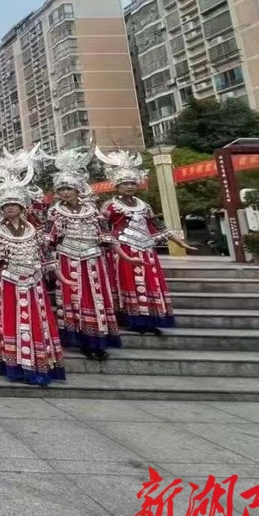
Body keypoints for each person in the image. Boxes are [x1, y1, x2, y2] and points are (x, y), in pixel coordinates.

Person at [0, 169, 68, 387]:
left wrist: (62, 277)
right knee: (11, 319)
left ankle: (40, 362)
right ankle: (14, 363)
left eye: (14, 204)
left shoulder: (34, 230)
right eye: (6, 205)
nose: (10, 208)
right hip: (8, 280)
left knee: (38, 319)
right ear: (1, 209)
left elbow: (47, 255)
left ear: (23, 207)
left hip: (34, 281)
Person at [96, 148, 196, 335]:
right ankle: (132, 319)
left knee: (150, 283)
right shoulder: (110, 206)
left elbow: (158, 226)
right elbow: (102, 228)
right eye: (125, 183)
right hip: (123, 250)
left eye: (133, 183)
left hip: (146, 249)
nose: (129, 186)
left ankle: (151, 317)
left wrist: (179, 242)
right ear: (116, 186)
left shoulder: (144, 205)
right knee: (128, 283)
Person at [45, 150, 123, 359]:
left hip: (92, 259)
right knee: (72, 299)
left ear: (78, 190)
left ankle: (97, 339)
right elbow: (47, 238)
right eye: (61, 189)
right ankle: (77, 337)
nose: (65, 193)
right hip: (67, 258)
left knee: (95, 297)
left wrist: (122, 253)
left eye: (69, 188)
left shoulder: (92, 210)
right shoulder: (54, 212)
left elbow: (105, 234)